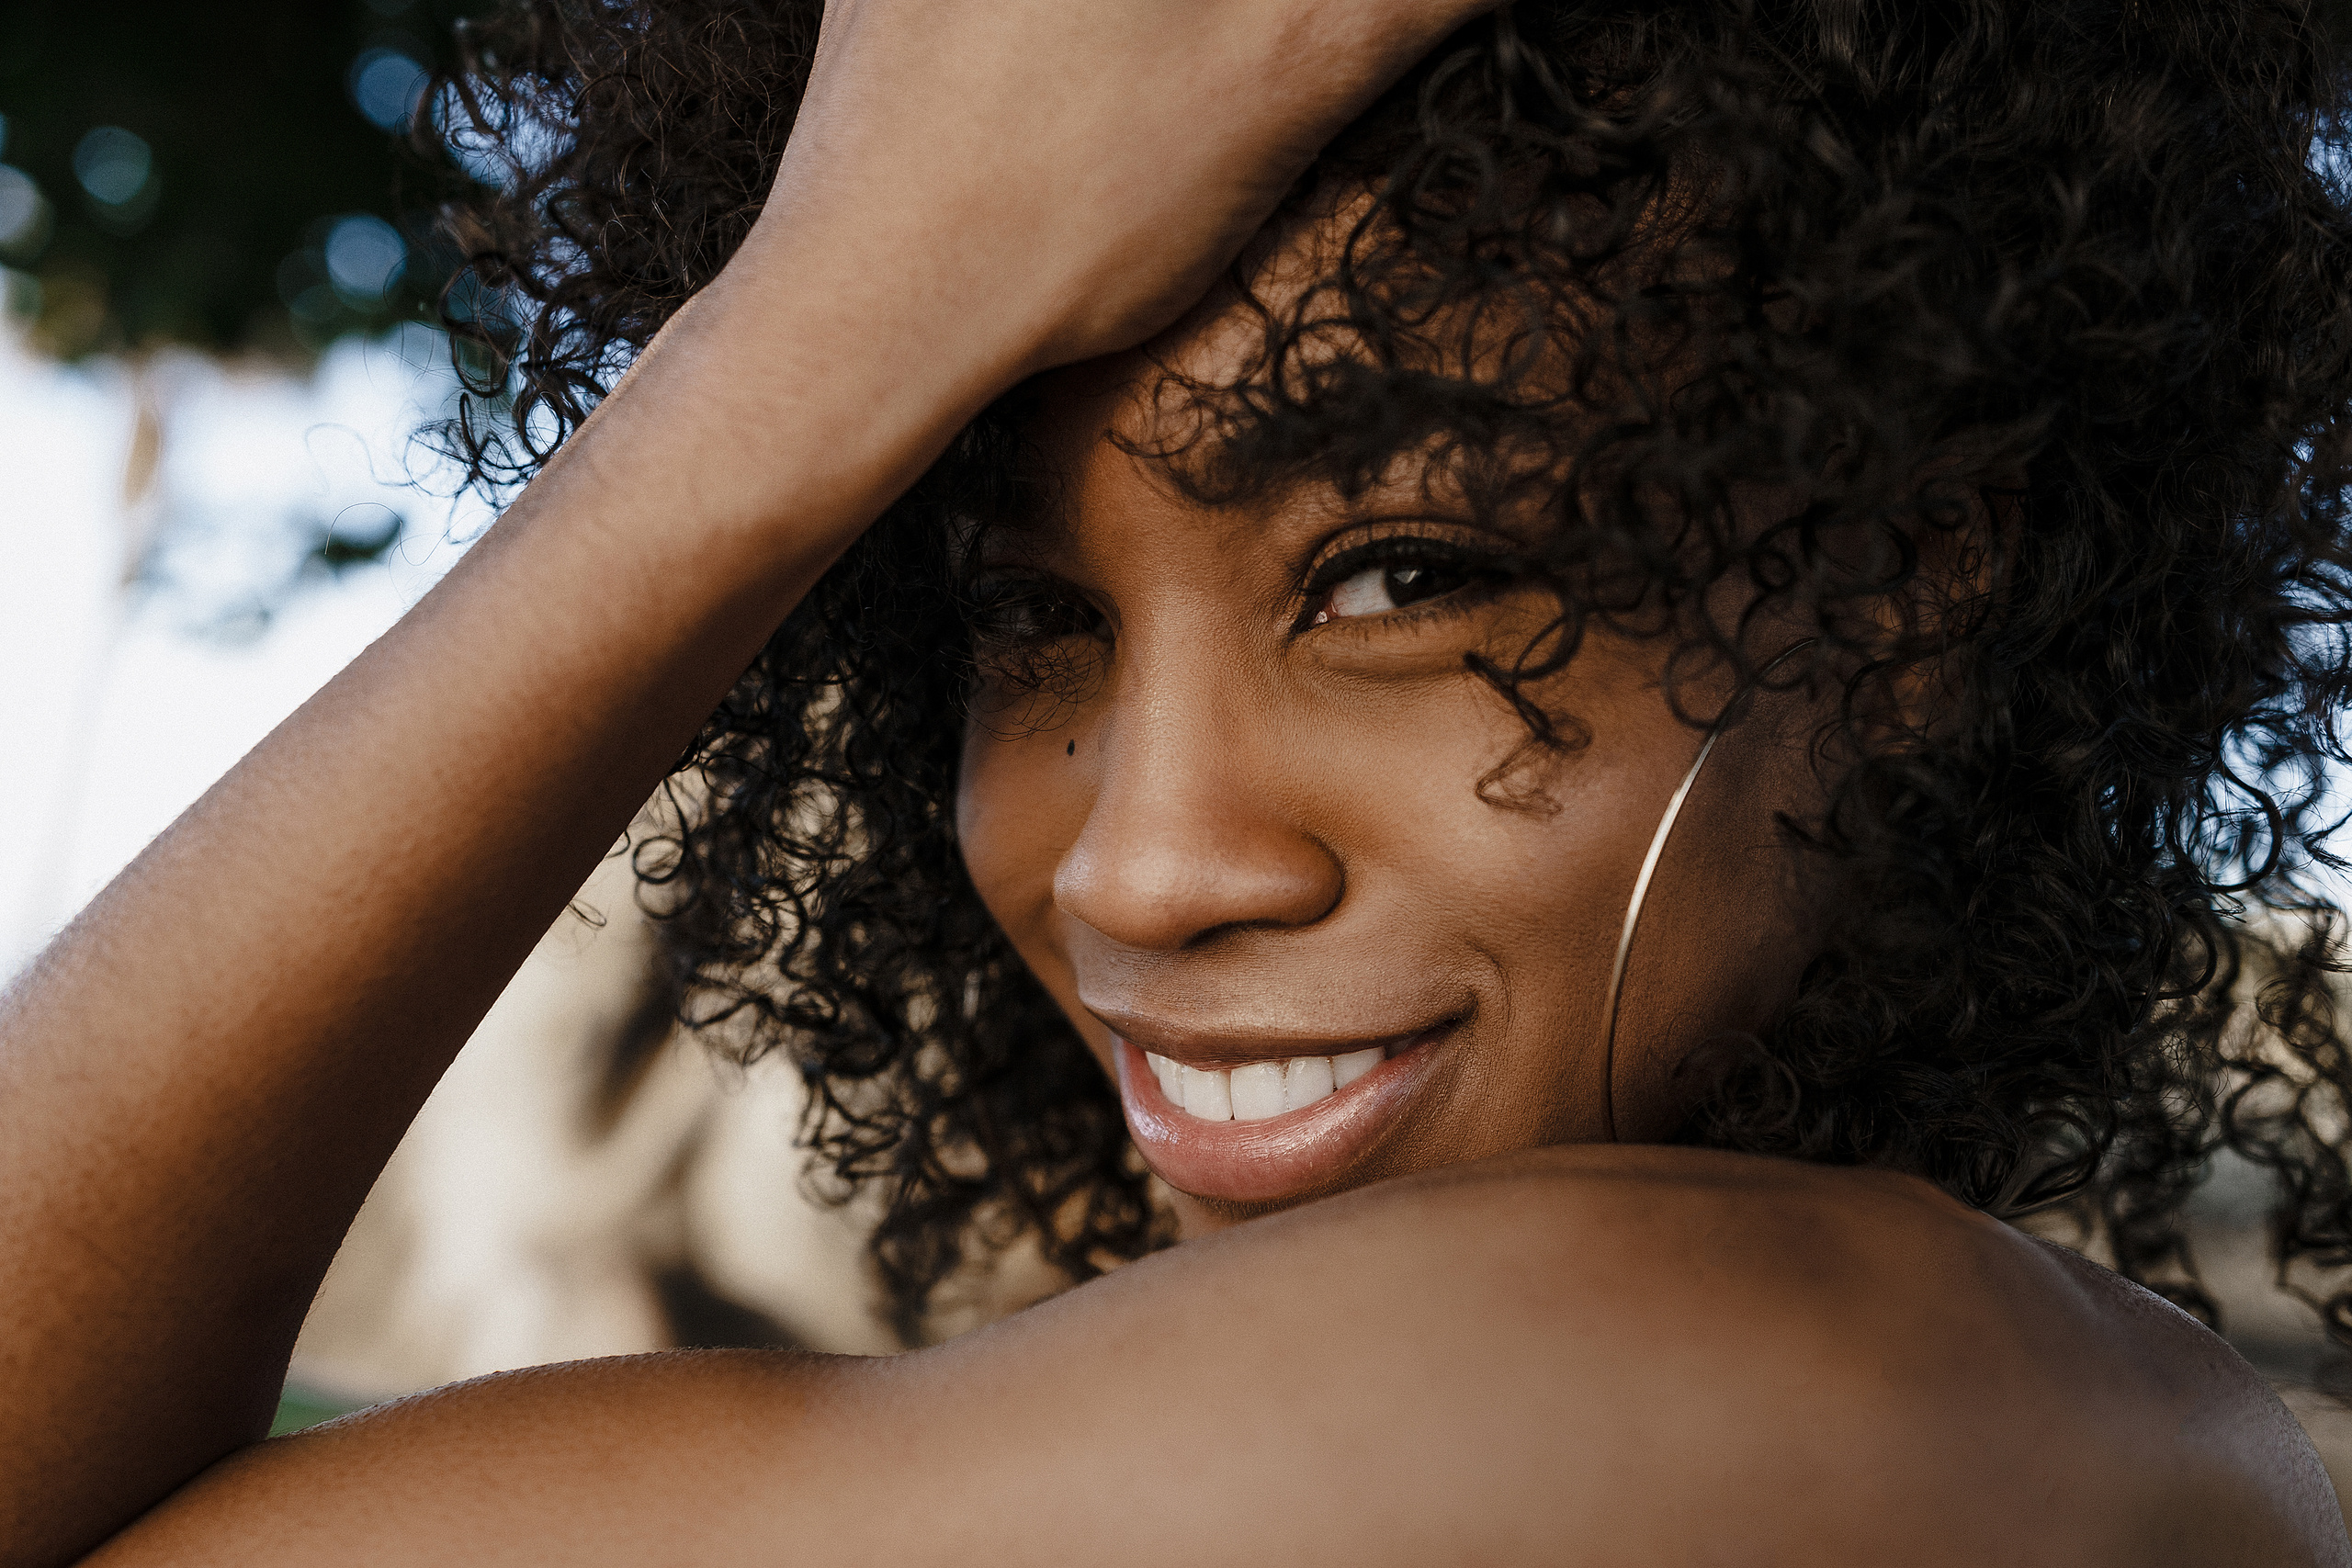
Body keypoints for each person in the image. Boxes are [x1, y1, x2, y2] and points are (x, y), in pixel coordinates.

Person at [5, 0, 2352, 1562]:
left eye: (1402, 571)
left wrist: (800, 353)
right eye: (1033, 616)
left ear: (1901, 581)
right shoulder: (2019, 1410)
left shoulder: (1758, 1362)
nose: (1141, 854)